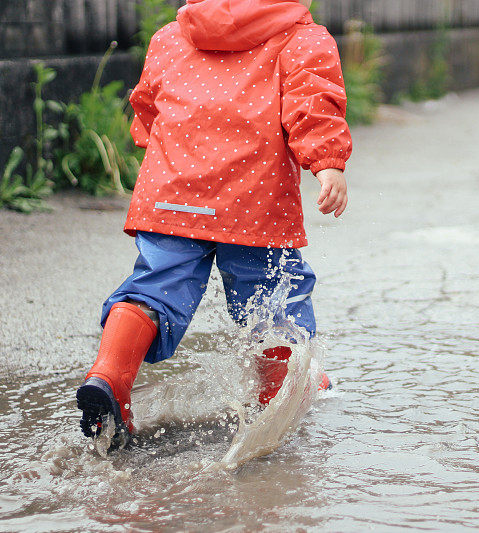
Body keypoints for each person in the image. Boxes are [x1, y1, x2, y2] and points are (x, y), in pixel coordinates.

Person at [76, 0, 352, 447]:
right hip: (252, 201)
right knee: (271, 294)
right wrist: (328, 164)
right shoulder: (302, 38)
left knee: (155, 286)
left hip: (170, 194)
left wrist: (168, 149)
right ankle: (277, 395)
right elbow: (313, 103)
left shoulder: (172, 35)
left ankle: (109, 377)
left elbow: (147, 107)